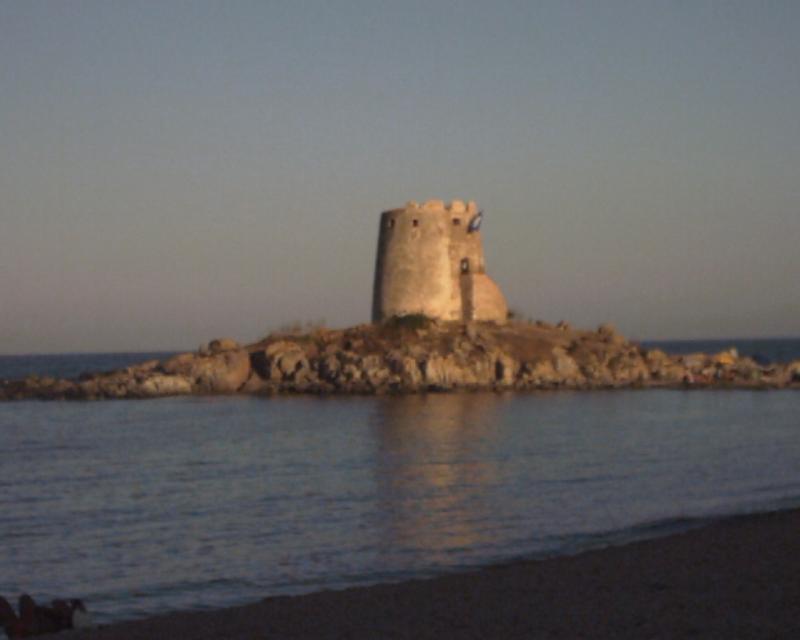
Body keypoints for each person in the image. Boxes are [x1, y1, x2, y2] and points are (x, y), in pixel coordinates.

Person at [0, 594, 88, 638]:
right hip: (26, 627)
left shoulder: (61, 620)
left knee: (24, 599)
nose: (64, 603)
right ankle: (19, 630)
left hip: (30, 628)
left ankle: (19, 630)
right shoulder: (58, 616)